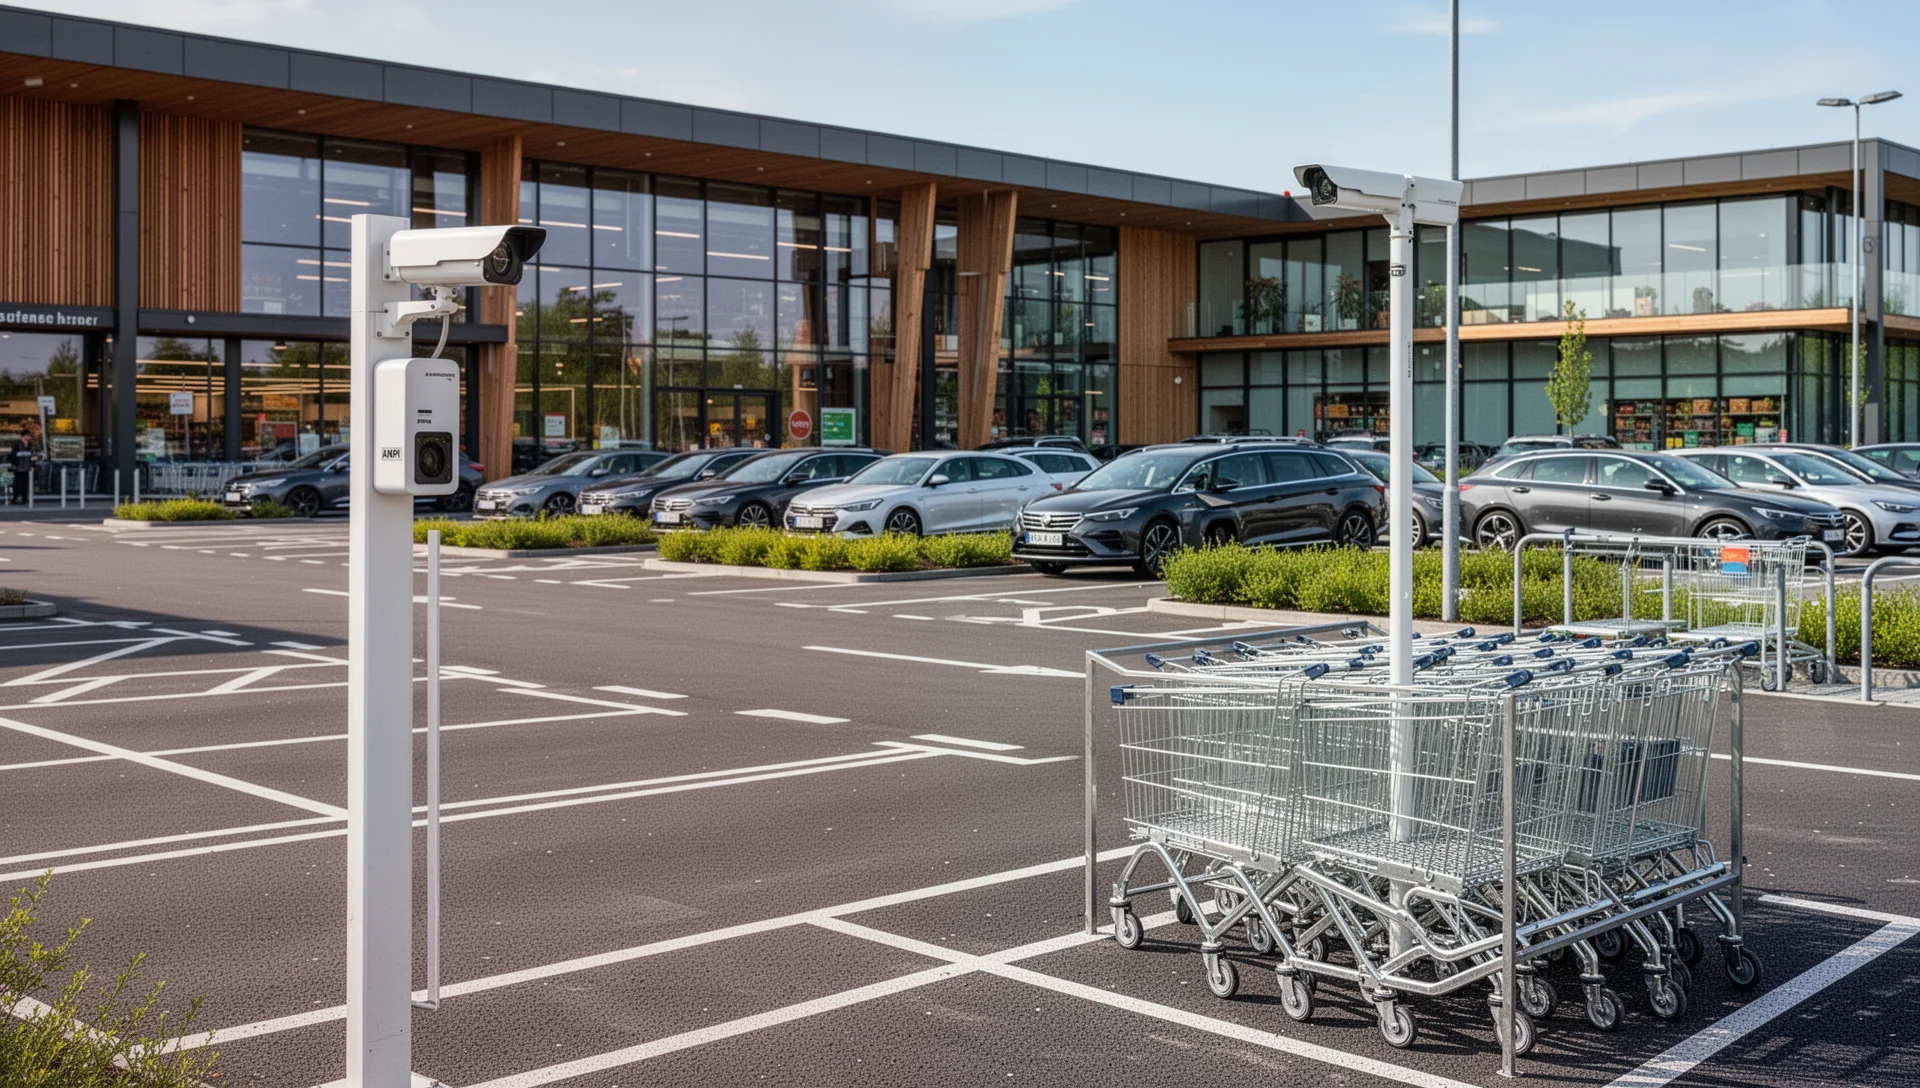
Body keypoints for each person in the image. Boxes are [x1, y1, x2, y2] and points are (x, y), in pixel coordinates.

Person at [9, 420, 37, 505]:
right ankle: (15, 498)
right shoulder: (17, 445)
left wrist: (33, 462)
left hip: (26, 467)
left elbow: (31, 455)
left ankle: (24, 498)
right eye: (29, 436)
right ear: (25, 436)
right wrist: (14, 465)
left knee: (25, 483)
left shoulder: (30, 445)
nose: (30, 437)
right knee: (17, 483)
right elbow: (13, 455)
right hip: (18, 467)